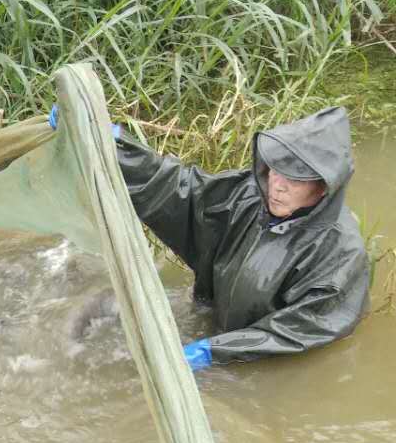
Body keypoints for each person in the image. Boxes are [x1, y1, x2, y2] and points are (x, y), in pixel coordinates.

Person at [50, 104, 370, 368]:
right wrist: (113, 146)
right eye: (274, 170)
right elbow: (179, 190)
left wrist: (213, 352)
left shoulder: (340, 255)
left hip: (254, 365)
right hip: (211, 322)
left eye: (294, 179)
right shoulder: (248, 196)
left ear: (324, 185)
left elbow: (293, 332)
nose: (277, 185)